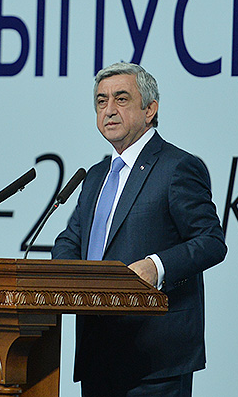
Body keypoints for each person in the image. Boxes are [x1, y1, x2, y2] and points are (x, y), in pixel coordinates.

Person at [52, 62, 227, 397]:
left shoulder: (177, 167)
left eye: (121, 99)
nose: (109, 110)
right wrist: (69, 277)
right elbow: (69, 242)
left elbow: (211, 241)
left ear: (150, 110)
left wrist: (156, 266)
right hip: (96, 356)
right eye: (101, 101)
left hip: (154, 361)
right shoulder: (96, 175)